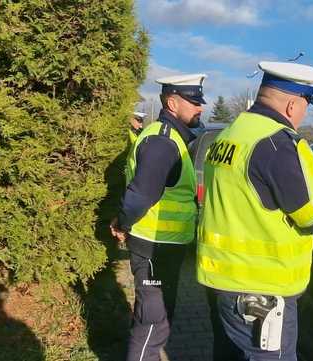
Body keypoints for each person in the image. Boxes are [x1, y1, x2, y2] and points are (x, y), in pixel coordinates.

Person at [197, 61, 313, 361]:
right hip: (261, 295)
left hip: (221, 283)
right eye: (305, 105)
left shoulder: (229, 136)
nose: (303, 114)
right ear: (291, 105)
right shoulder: (277, 144)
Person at [110, 73, 206, 361]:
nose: (200, 107)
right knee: (153, 325)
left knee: (153, 320)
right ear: (172, 103)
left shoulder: (170, 137)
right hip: (154, 247)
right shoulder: (163, 142)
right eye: (193, 101)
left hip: (163, 246)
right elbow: (140, 195)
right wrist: (123, 223)